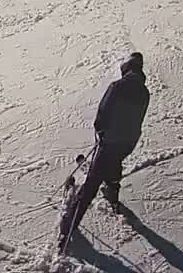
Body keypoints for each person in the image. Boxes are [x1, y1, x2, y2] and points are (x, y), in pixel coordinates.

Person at [59, 53, 150, 251]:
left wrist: (101, 131)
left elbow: (103, 112)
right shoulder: (145, 93)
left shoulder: (117, 87)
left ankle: (70, 223)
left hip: (110, 141)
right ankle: (112, 190)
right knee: (115, 161)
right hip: (128, 143)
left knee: (92, 182)